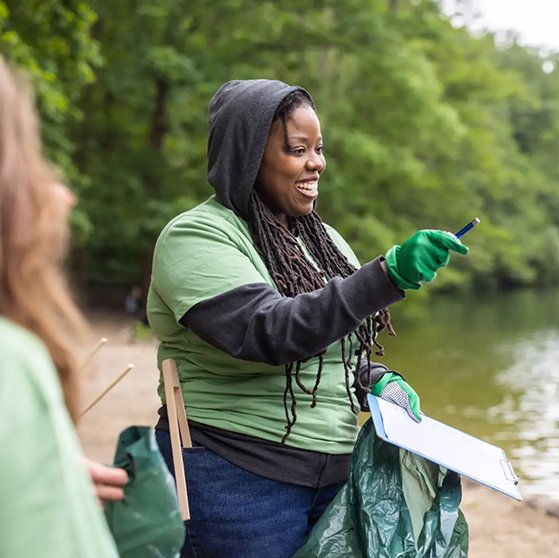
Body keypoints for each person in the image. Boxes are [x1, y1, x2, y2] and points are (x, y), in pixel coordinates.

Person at [147, 79, 468, 557]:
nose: (316, 162)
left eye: (318, 149)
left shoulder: (325, 241)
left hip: (333, 478)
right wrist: (384, 275)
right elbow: (268, 332)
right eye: (298, 149)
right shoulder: (195, 237)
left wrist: (377, 380)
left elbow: (339, 348)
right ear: (249, 155)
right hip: (233, 476)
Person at [0, 56, 124, 556]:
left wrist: (46, 476)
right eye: (26, 157)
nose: (59, 194)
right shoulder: (12, 363)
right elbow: (271, 329)